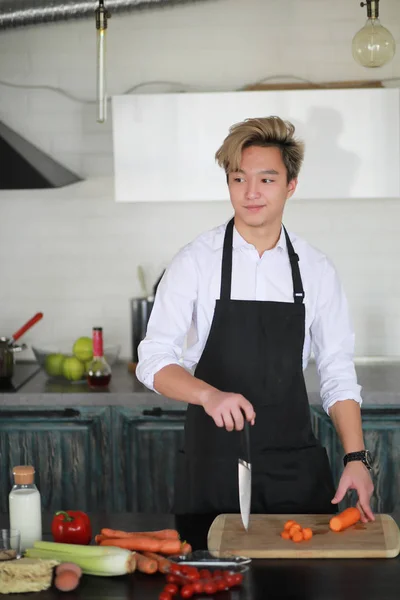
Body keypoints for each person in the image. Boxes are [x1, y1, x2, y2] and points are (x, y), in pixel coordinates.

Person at [136, 116, 374, 522]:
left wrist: (356, 458)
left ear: (290, 185)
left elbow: (336, 370)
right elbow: (153, 360)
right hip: (213, 465)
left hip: (291, 465)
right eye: (238, 179)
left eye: (266, 180)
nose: (250, 193)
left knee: (298, 583)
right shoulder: (195, 261)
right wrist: (209, 395)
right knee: (211, 580)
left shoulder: (316, 269)